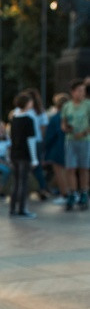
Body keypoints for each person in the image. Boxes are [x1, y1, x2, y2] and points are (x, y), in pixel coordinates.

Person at [61, 78, 90, 211]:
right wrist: (66, 128)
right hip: (71, 140)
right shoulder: (67, 106)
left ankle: (84, 192)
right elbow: (63, 122)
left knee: (84, 168)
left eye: (83, 91)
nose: (82, 93)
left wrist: (84, 133)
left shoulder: (88, 104)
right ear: (73, 92)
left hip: (85, 140)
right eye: (79, 91)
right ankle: (72, 193)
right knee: (70, 168)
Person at [9, 92, 37, 218]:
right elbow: (31, 140)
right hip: (24, 155)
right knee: (23, 182)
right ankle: (22, 209)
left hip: (14, 154)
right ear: (26, 103)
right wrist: (34, 158)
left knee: (16, 182)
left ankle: (12, 208)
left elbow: (11, 137)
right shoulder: (29, 119)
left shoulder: (14, 118)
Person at [41, 94, 69, 205]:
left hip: (57, 148)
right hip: (69, 146)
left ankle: (64, 194)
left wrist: (45, 148)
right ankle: (71, 193)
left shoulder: (55, 118)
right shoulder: (69, 117)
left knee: (59, 172)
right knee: (68, 172)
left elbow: (50, 136)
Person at [27, 88, 52, 200]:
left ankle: (42, 188)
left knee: (34, 166)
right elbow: (43, 129)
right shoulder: (39, 111)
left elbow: (43, 129)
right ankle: (42, 188)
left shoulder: (38, 111)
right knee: (33, 167)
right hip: (36, 141)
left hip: (34, 142)